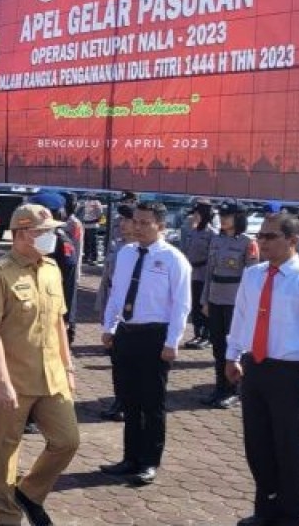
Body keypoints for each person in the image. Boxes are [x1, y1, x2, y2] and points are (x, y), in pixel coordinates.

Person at [226, 212, 299, 526]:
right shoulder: (253, 275)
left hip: (292, 373)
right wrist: (232, 355)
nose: (261, 241)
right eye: (260, 235)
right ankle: (266, 509)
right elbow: (242, 318)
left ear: (292, 241)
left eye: (270, 236)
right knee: (258, 445)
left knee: (290, 448)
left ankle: (293, 515)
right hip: (256, 368)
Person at [0, 203, 80, 526]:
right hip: (13, 378)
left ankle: (29, 492)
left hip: (51, 376)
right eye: (44, 232)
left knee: (67, 441)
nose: (51, 237)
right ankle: (8, 518)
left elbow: (59, 324)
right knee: (6, 451)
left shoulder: (52, 268)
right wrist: (3, 382)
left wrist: (68, 367)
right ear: (23, 234)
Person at [99, 201, 191, 486]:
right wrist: (109, 326)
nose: (136, 227)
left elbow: (181, 304)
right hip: (126, 333)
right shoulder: (125, 254)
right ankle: (130, 458)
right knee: (129, 400)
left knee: (152, 403)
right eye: (134, 222)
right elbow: (117, 293)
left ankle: (149, 461)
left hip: (155, 336)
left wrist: (172, 341)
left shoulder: (174, 259)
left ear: (161, 226)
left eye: (144, 223)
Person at [200, 201, 258, 409]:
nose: (223, 219)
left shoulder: (247, 243)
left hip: (235, 302)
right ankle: (220, 387)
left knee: (235, 348)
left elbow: (252, 277)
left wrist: (247, 306)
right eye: (222, 215)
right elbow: (209, 272)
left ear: (239, 218)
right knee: (218, 347)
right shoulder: (216, 239)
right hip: (215, 298)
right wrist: (205, 299)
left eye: (228, 216)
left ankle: (236, 390)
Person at [95, 204, 137, 421]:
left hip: (130, 314)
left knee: (129, 362)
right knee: (116, 360)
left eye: (126, 220)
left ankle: (128, 402)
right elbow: (106, 282)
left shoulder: (140, 250)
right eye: (121, 220)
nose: (122, 224)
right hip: (114, 309)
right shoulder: (117, 246)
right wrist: (102, 309)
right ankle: (119, 399)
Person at [27, 191, 79, 345]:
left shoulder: (61, 242)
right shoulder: (37, 238)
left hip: (53, 310)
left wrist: (66, 318)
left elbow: (68, 282)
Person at [179, 200, 216, 350]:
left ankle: (207, 336)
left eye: (197, 213)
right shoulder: (192, 231)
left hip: (204, 273)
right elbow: (185, 250)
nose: (194, 216)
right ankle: (197, 334)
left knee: (203, 306)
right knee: (193, 305)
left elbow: (211, 256)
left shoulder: (211, 233)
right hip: (192, 273)